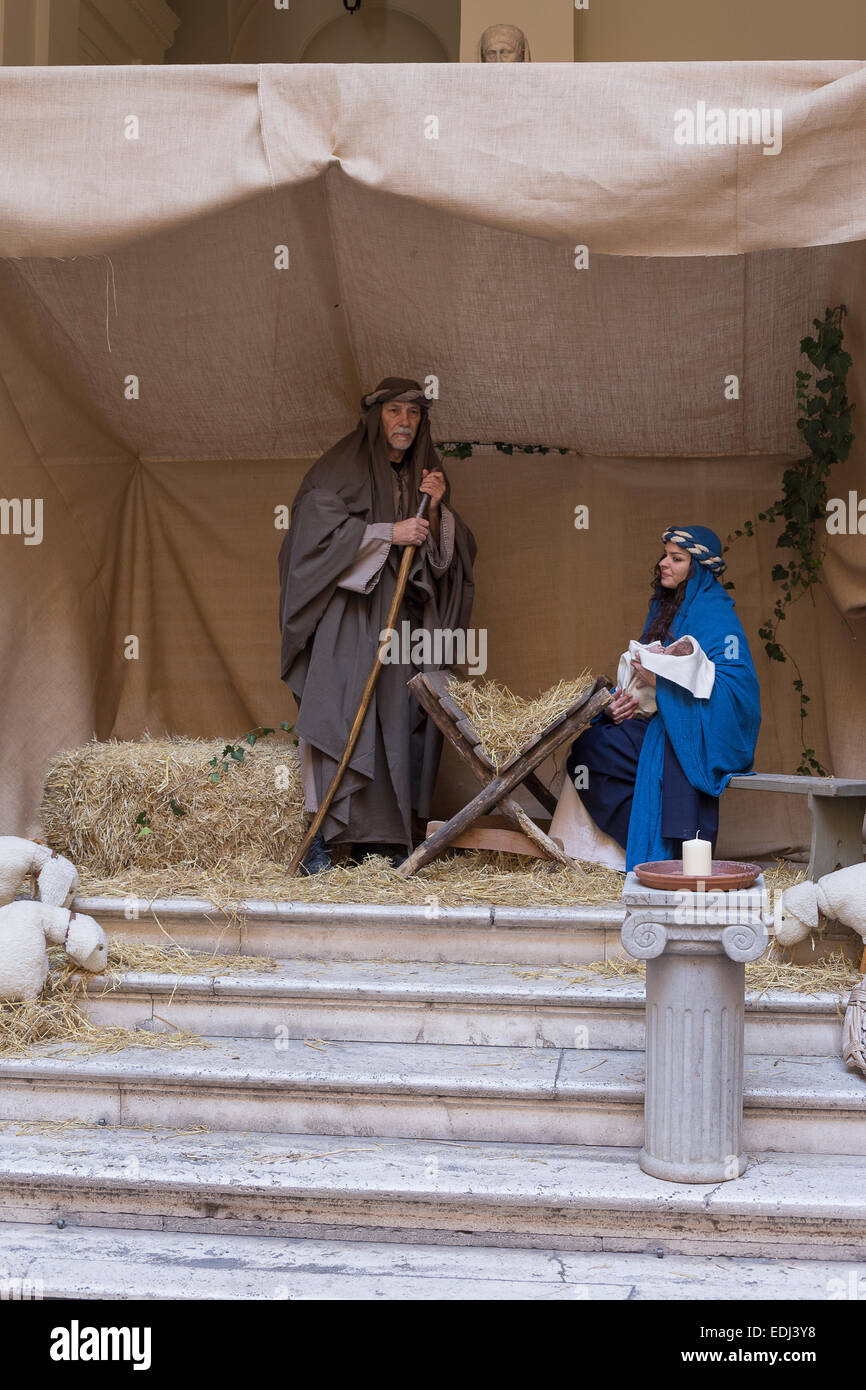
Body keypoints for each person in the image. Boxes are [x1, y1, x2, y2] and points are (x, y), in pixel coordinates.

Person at [278, 378, 476, 872]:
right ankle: (322, 837)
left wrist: (436, 509)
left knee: (397, 720)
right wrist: (389, 532)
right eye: (393, 411)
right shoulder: (339, 468)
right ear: (375, 417)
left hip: (400, 628)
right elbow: (309, 537)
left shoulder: (424, 475)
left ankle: (382, 839)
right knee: (340, 715)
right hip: (349, 621)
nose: (404, 422)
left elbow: (452, 557)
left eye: (412, 413)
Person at [561, 525, 761, 872]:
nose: (663, 563)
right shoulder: (666, 608)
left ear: (697, 568)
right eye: (664, 555)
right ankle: (644, 842)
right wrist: (619, 702)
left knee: (601, 752)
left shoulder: (717, 616)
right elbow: (644, 671)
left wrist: (666, 687)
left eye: (676, 558)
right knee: (592, 746)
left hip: (692, 731)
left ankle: (658, 853)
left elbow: (738, 691)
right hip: (659, 721)